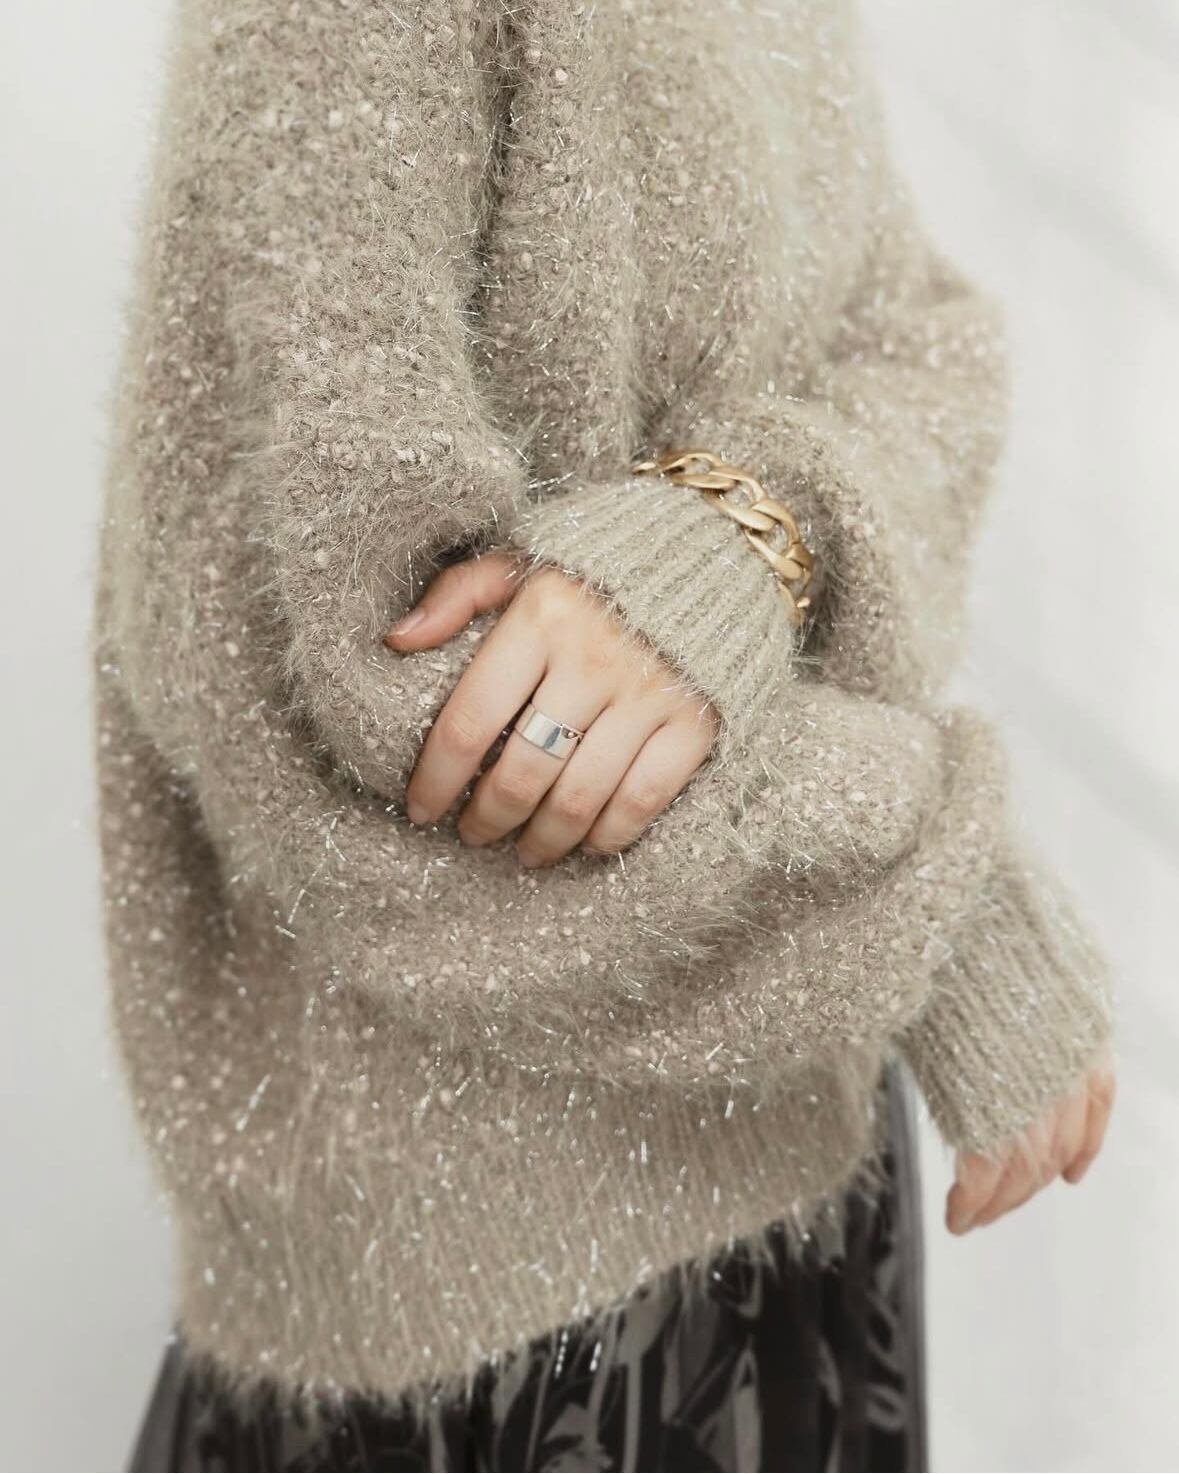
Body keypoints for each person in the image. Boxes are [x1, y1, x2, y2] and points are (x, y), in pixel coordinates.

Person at [95, 1, 1115, 1469]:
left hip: (804, 1155)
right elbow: (350, 688)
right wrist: (931, 883)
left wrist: (739, 534)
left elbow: (925, 348)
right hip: (493, 1288)